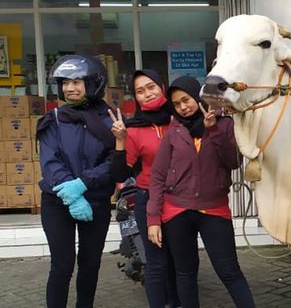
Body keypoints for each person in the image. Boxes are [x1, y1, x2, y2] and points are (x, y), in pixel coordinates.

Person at [147, 76, 255, 308]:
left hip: (213, 210)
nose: (183, 107)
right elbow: (157, 176)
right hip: (177, 212)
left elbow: (233, 162)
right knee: (185, 275)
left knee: (229, 271)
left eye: (186, 100)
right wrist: (153, 219)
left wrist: (213, 129)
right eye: (177, 104)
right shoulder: (174, 131)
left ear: (198, 96)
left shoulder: (224, 124)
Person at [36, 54, 116, 308]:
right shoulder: (54, 119)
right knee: (62, 265)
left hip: (96, 201)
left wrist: (83, 183)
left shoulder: (110, 119)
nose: (69, 88)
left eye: (77, 81)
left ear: (93, 83)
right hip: (57, 201)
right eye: (65, 82)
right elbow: (50, 161)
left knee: (90, 264)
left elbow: (116, 159)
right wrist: (70, 192)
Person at [108, 69, 180, 308]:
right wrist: (120, 139)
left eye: (151, 87)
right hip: (148, 200)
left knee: (181, 260)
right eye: (140, 91)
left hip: (182, 200)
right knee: (156, 261)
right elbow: (120, 173)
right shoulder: (134, 128)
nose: (147, 94)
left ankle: (178, 301)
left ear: (162, 87)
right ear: (135, 98)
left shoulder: (181, 119)